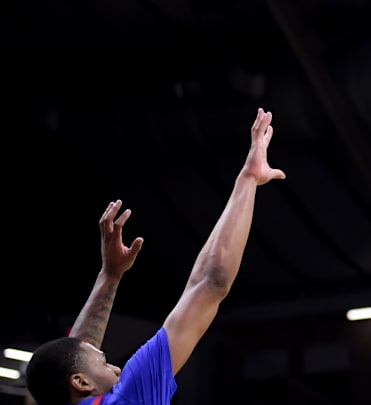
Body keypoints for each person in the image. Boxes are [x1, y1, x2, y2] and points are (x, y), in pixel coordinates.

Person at [25, 107, 286, 405]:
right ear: (81, 382)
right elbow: (211, 282)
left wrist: (110, 275)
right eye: (104, 362)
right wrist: (248, 179)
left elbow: (74, 356)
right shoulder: (126, 398)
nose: (117, 368)